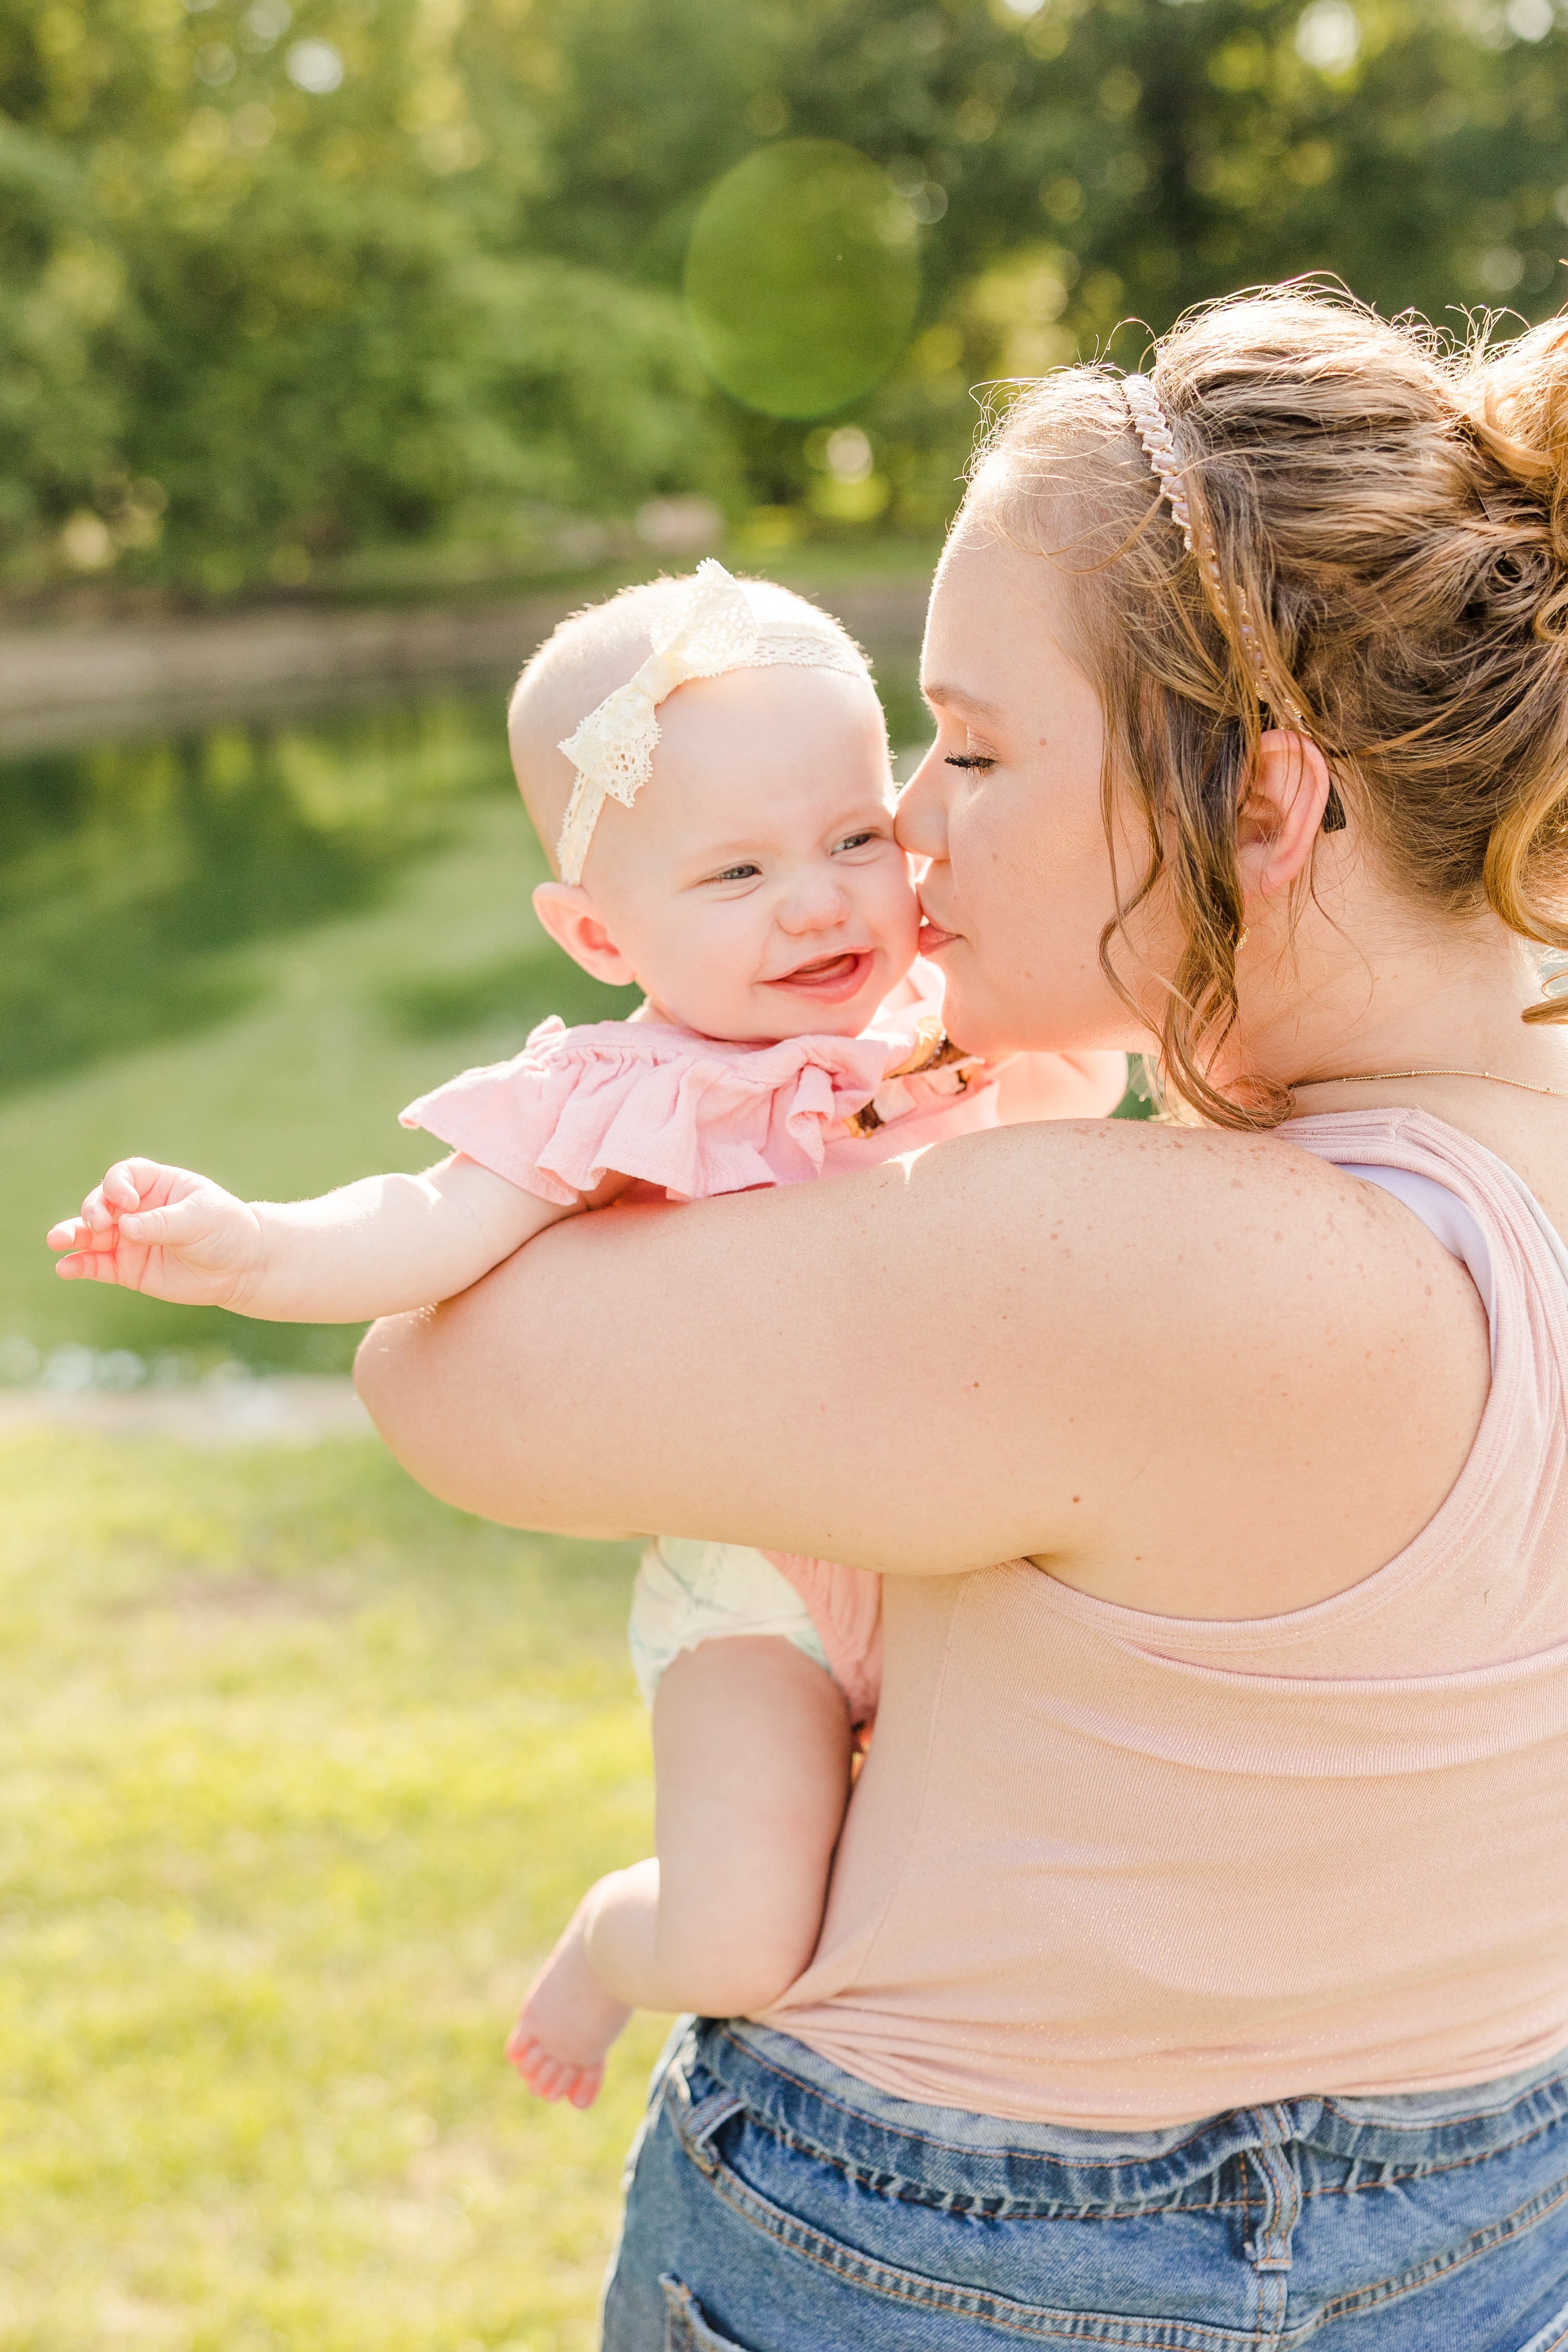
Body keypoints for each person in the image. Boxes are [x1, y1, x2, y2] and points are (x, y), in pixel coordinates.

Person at [355, 286, 1568, 2351]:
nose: (906, 832)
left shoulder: (1140, 1262)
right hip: (1492, 2219)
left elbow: (445, 1376)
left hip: (964, 2256)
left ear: (1263, 814)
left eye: (977, 748)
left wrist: (706, 1100)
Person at [46, 563, 1123, 2114]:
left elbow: (1090, 1102)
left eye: (849, 839)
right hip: (761, 1594)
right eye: (735, 873)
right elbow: (422, 1227)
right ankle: (615, 1936)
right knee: (744, 1934)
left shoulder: (949, 1020)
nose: (818, 900)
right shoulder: (620, 1094)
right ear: (598, 933)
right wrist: (248, 1246)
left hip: (969, 1547)